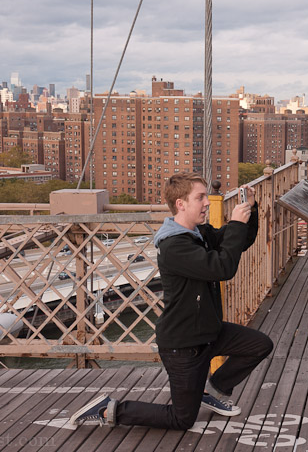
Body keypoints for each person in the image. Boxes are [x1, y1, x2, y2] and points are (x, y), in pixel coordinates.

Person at [69, 172, 273, 430]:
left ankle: (213, 389)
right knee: (182, 419)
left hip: (208, 332)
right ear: (181, 204)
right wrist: (236, 224)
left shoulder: (198, 233)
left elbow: (238, 243)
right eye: (200, 198)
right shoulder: (175, 246)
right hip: (184, 344)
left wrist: (250, 212)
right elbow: (222, 267)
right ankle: (109, 409)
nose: (207, 203)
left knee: (260, 345)